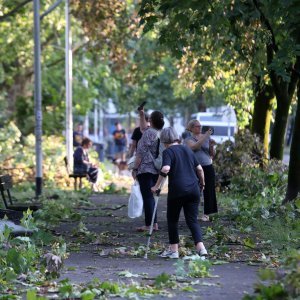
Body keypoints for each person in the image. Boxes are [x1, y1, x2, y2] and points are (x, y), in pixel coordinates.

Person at [151, 127, 208, 259]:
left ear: (164, 141)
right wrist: (202, 184)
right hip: (194, 189)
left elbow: (165, 168)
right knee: (192, 220)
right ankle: (201, 249)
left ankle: (174, 250)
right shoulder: (187, 149)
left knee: (172, 220)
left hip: (178, 190)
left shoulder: (168, 151)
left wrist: (156, 186)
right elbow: (199, 169)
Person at [132, 110, 165, 232]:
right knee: (153, 197)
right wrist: (142, 114)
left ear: (151, 121)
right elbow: (143, 127)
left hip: (145, 169)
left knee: (147, 197)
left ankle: (148, 225)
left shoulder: (148, 133)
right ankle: (154, 224)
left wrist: (135, 168)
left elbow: (140, 153)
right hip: (157, 169)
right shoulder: (159, 133)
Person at [185, 119, 218, 221]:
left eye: (200, 126)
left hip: (207, 166)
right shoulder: (188, 139)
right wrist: (206, 135)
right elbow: (195, 147)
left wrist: (212, 146)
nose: (200, 128)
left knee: (209, 190)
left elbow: (212, 154)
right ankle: (192, 213)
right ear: (191, 128)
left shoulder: (206, 137)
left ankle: (206, 214)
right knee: (194, 190)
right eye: (197, 126)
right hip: (195, 167)